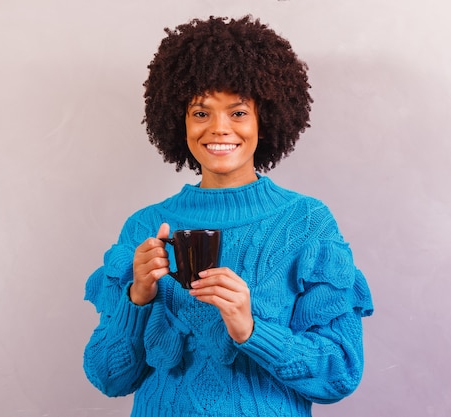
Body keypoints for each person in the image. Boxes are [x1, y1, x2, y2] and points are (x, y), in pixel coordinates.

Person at [83, 15, 373, 417]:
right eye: (201, 113)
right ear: (179, 121)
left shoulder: (307, 223)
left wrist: (250, 329)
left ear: (264, 119)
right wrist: (139, 296)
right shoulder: (144, 227)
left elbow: (340, 372)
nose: (219, 129)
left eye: (238, 113)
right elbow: (108, 377)